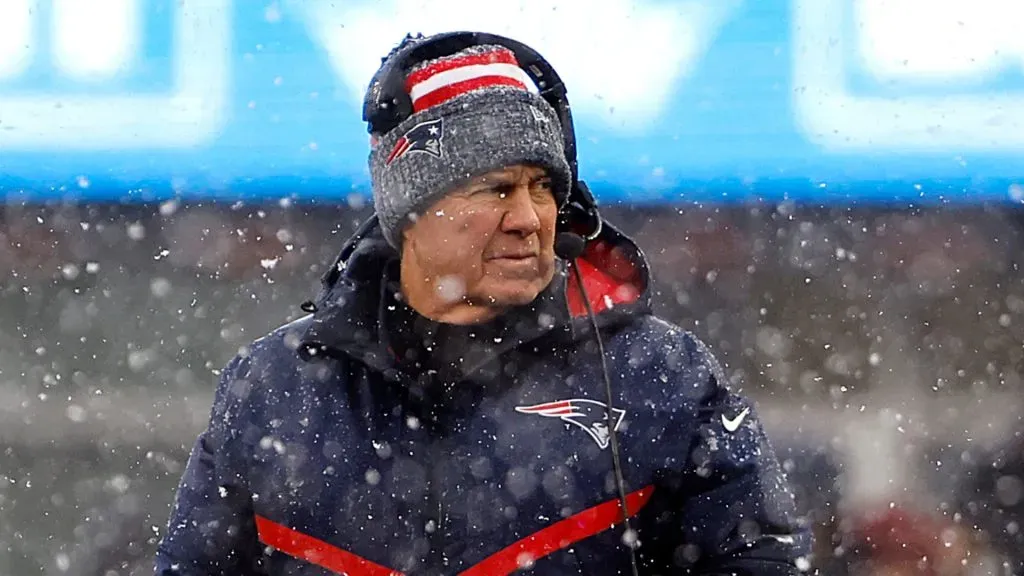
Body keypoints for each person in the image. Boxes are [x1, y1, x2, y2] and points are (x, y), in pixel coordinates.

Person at [155, 31, 811, 575]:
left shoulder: (663, 376)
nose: (529, 219)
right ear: (412, 211)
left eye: (544, 188)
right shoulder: (273, 388)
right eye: (496, 190)